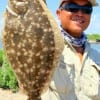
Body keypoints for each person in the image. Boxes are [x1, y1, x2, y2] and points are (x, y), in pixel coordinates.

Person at [41, 0, 100, 100]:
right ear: (59, 14)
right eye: (72, 7)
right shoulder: (43, 47)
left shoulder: (96, 56)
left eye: (87, 9)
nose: (80, 13)